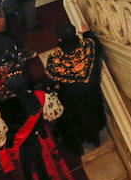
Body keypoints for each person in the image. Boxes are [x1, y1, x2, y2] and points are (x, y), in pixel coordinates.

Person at [0, 75, 76, 180]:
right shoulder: (41, 96)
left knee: (31, 176)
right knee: (48, 167)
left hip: (20, 151)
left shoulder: (0, 110)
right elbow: (55, 113)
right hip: (41, 142)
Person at [44, 22, 106, 155]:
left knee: (73, 121)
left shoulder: (55, 58)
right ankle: (94, 139)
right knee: (91, 116)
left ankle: (78, 148)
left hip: (71, 98)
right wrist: (87, 33)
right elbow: (97, 45)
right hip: (91, 94)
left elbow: (50, 80)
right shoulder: (88, 46)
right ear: (75, 33)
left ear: (59, 39)